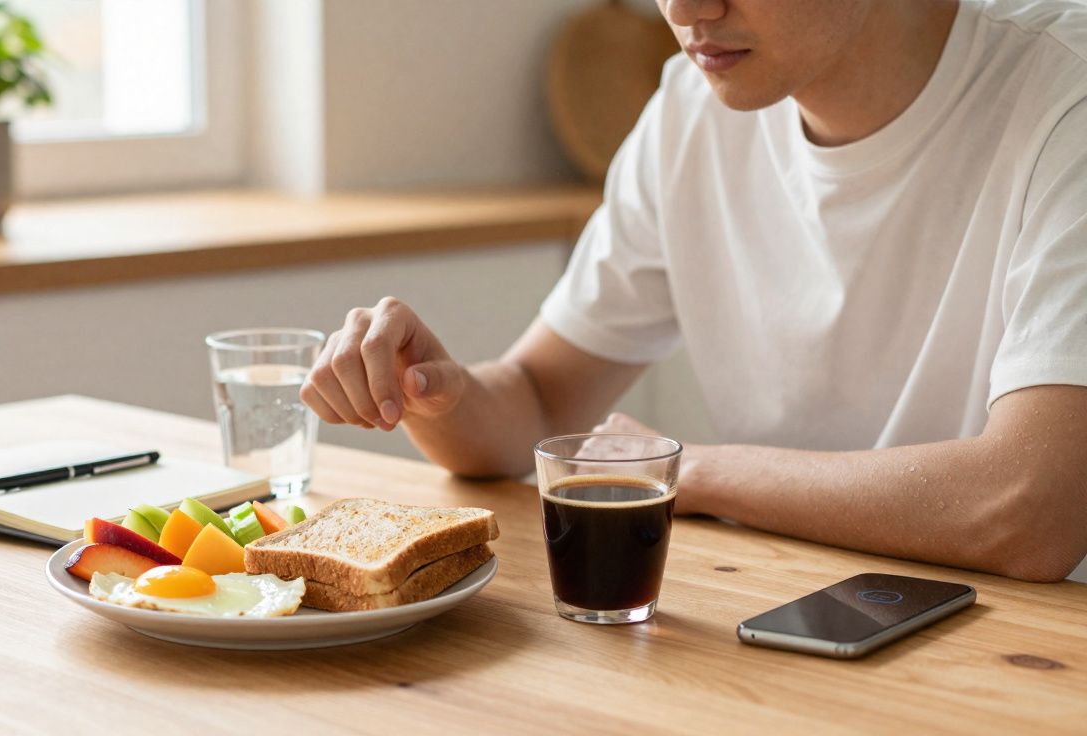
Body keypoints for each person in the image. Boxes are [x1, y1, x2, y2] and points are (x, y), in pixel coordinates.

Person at [300, 0, 1087, 582]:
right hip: (795, 613)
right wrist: (436, 391)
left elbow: (1029, 507)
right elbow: (540, 403)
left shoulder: (1064, 99)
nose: (683, 9)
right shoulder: (689, 108)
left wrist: (688, 472)